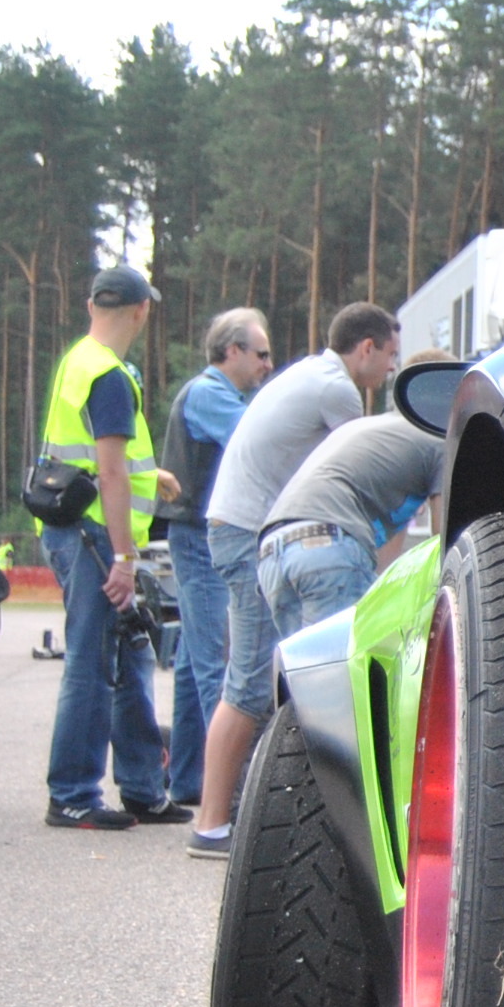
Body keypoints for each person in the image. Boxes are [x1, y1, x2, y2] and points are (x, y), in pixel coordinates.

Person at [190, 301, 399, 857]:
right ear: (367, 348)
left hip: (240, 526)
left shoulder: (311, 373)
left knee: (259, 679)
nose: (392, 370)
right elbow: (361, 469)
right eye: (390, 356)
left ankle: (228, 816)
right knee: (249, 683)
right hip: (248, 530)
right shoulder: (339, 392)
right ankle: (212, 824)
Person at [40, 265, 184, 830]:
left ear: (91, 306)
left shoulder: (79, 360)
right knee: (95, 663)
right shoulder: (111, 377)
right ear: (142, 311)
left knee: (128, 656)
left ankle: (143, 788)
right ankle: (73, 793)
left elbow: (97, 457)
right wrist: (124, 559)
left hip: (73, 527)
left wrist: (154, 474)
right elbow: (110, 471)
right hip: (97, 537)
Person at [158, 308, 272, 813]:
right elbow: (258, 443)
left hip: (196, 535)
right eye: (261, 354)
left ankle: (189, 777)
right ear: (232, 351)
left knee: (192, 662)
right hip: (200, 539)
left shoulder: (214, 394)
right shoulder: (209, 395)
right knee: (215, 665)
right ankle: (230, 796)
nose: (267, 364)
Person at [251, 359, 451, 642]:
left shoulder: (371, 429)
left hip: (272, 549)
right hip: (327, 546)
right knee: (342, 662)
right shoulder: (440, 442)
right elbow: (445, 542)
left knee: (305, 666)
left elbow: (384, 559)